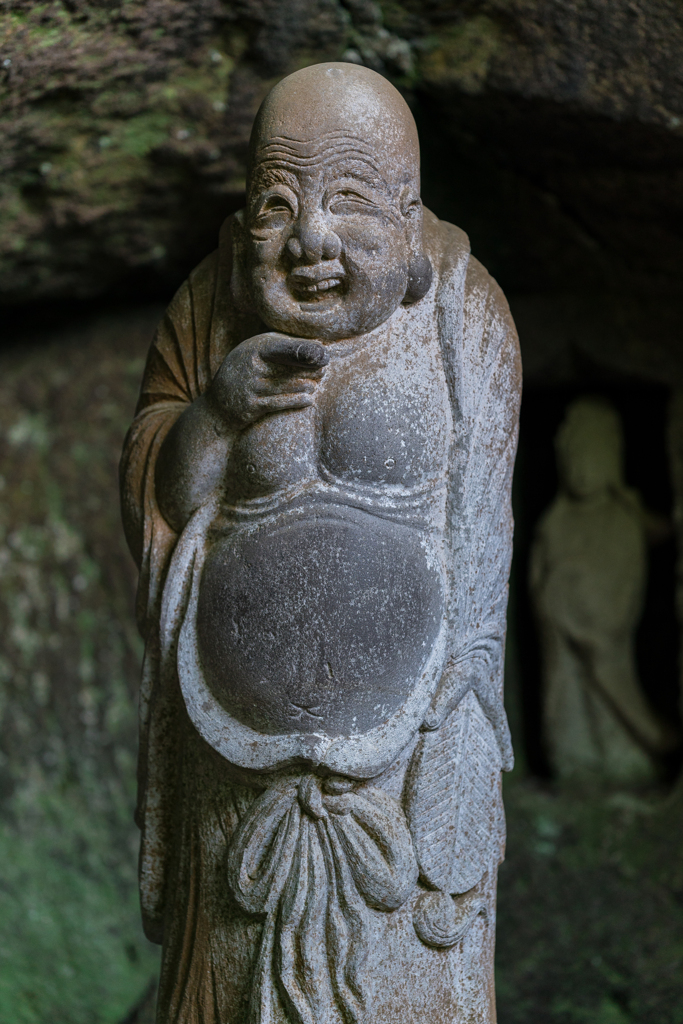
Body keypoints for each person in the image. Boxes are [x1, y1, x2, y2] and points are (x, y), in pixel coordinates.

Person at [121, 62, 521, 1023]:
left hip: (404, 758)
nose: (309, 239)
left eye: (346, 201)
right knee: (232, 974)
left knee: (407, 979)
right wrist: (213, 416)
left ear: (407, 209)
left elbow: (484, 530)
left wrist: (459, 706)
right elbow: (158, 498)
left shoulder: (465, 318)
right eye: (274, 204)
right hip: (229, 757)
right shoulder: (207, 308)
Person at [530, 397, 671, 784]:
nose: (579, 466)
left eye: (590, 451)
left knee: (626, 761)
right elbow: (538, 582)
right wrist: (554, 600)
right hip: (565, 660)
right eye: (571, 455)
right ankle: (574, 759)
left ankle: (633, 747)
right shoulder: (554, 525)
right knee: (572, 748)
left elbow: (623, 597)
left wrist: (584, 612)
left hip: (607, 649)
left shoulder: (622, 519)